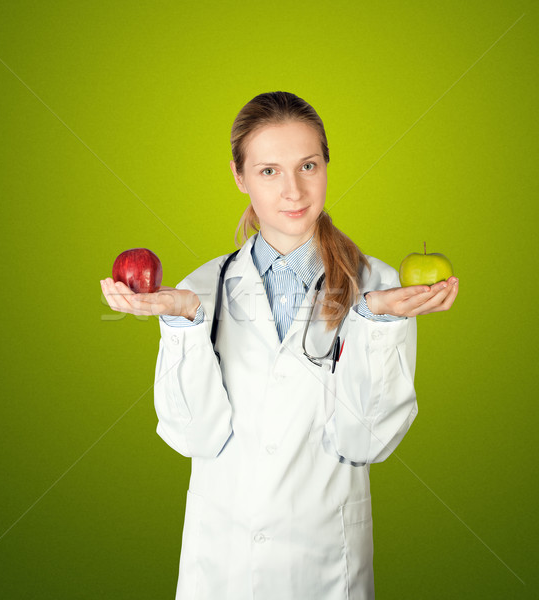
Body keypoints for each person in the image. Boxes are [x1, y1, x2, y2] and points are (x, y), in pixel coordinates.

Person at [100, 91, 459, 600]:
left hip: (325, 570)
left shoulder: (377, 286)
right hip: (220, 569)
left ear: (326, 167)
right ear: (239, 177)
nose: (293, 190)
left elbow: (367, 443)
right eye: (269, 171)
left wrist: (374, 321)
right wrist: (184, 322)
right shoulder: (198, 288)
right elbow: (193, 438)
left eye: (307, 165)